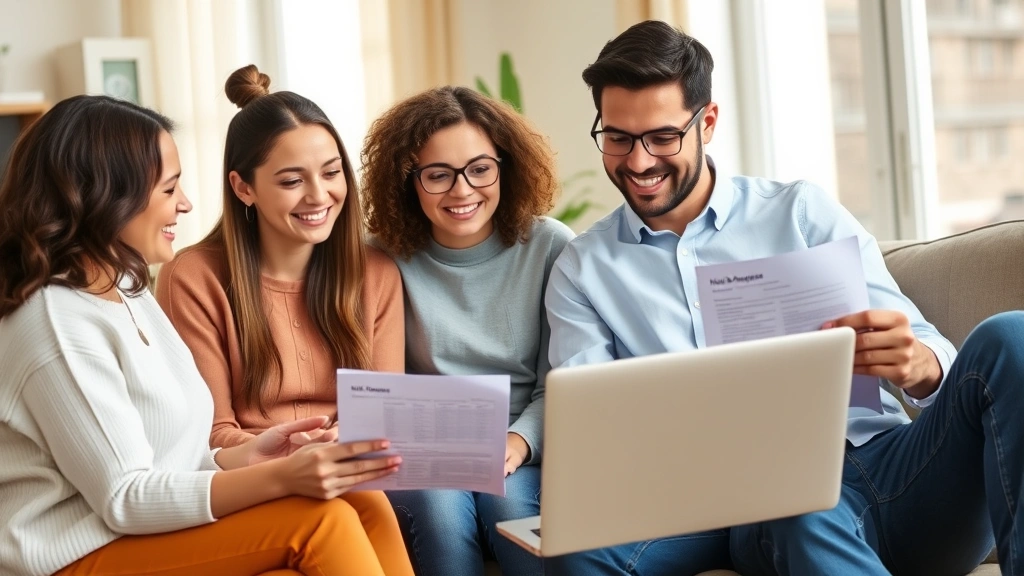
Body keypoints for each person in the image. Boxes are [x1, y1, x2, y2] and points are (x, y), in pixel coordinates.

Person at [543, 20, 1024, 576]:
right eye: (618, 138)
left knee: (1010, 336)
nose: (639, 161)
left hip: (893, 472)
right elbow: (594, 437)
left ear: (709, 122)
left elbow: (920, 342)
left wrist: (920, 365)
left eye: (662, 137)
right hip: (735, 507)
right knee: (576, 544)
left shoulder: (799, 212)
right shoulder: (583, 270)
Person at [0, 95, 412, 576]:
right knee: (321, 523)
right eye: (169, 189)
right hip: (76, 552)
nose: (186, 203)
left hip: (136, 532)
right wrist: (282, 477)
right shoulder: (57, 324)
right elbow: (125, 497)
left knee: (363, 499)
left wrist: (249, 456)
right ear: (103, 198)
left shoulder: (127, 289)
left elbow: (175, 454)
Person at [360, 85, 574, 576]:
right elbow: (379, 386)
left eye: (480, 169)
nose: (462, 190)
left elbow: (560, 379)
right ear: (408, 180)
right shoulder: (378, 256)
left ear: (506, 166)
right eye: (438, 175)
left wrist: (517, 443)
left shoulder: (550, 246)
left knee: (509, 510)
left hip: (521, 443)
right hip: (424, 451)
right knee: (437, 509)